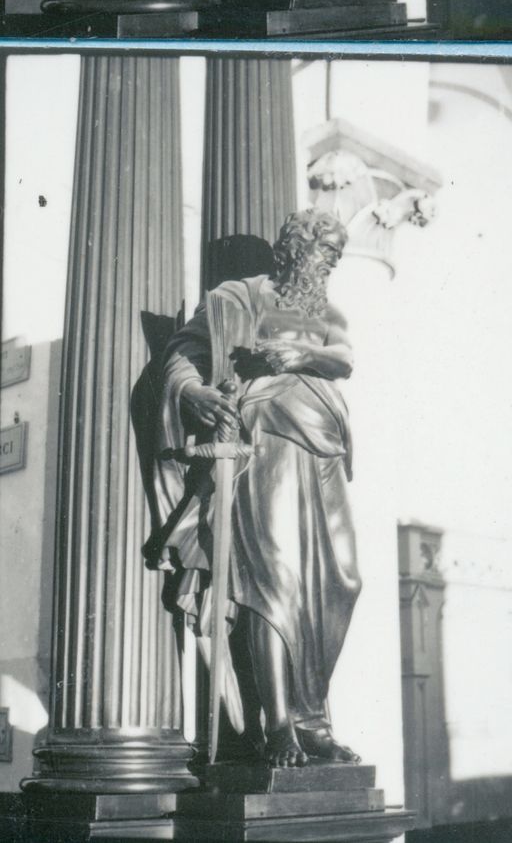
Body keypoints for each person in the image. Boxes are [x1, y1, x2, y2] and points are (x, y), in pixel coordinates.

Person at [134, 206, 361, 769]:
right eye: (324, 248)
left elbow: (344, 358)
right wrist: (192, 394)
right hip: (266, 439)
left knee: (342, 579)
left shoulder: (327, 310)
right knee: (274, 580)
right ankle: (281, 724)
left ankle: (313, 719)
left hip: (325, 443)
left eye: (336, 251)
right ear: (294, 248)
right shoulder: (240, 295)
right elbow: (182, 355)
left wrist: (301, 353)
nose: (331, 260)